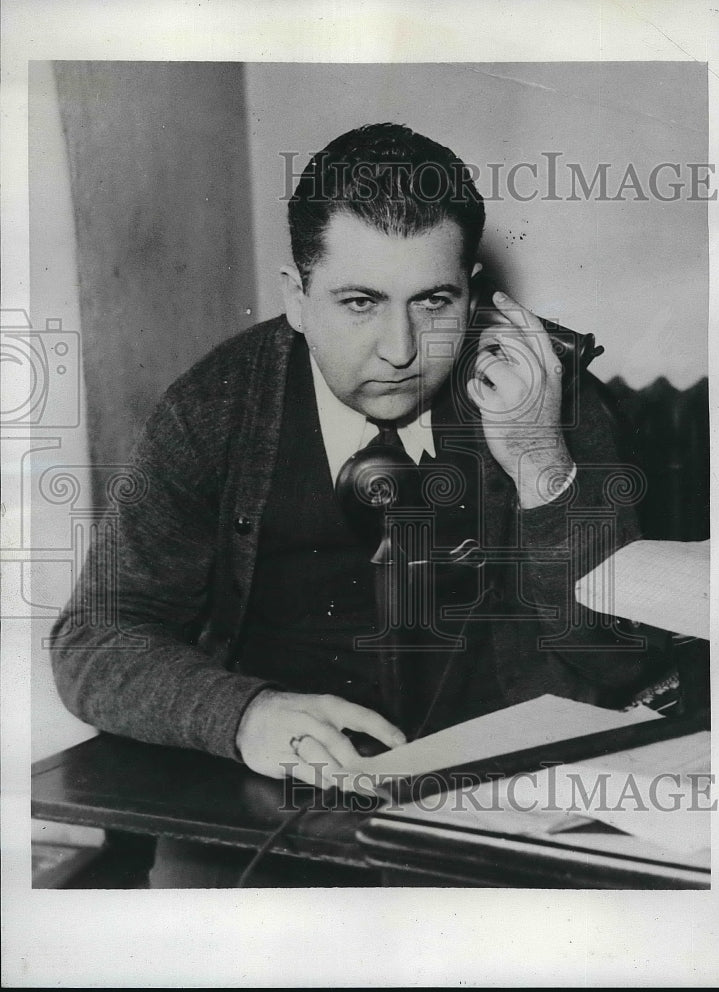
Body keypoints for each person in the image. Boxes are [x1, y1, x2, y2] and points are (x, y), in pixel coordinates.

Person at [50, 124, 659, 875]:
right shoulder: (213, 409)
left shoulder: (552, 400)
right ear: (296, 297)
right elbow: (93, 637)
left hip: (501, 816)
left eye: (433, 301)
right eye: (360, 302)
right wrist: (242, 715)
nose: (400, 350)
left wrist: (541, 465)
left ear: (471, 292)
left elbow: (618, 661)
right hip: (270, 810)